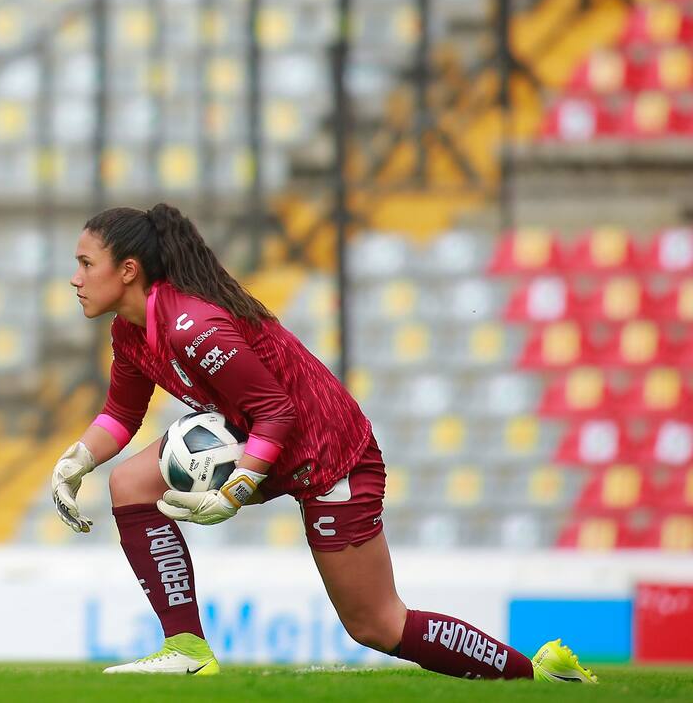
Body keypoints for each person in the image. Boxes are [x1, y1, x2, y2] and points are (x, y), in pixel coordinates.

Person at [51, 203, 597, 683]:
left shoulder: (194, 326)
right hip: (267, 442)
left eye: (85, 264)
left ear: (128, 270)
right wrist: (77, 461)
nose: (75, 278)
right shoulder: (130, 330)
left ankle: (537, 675)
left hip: (330, 456)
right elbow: (122, 413)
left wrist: (235, 491)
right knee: (130, 483)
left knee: (378, 625)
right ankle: (186, 650)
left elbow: (276, 410)